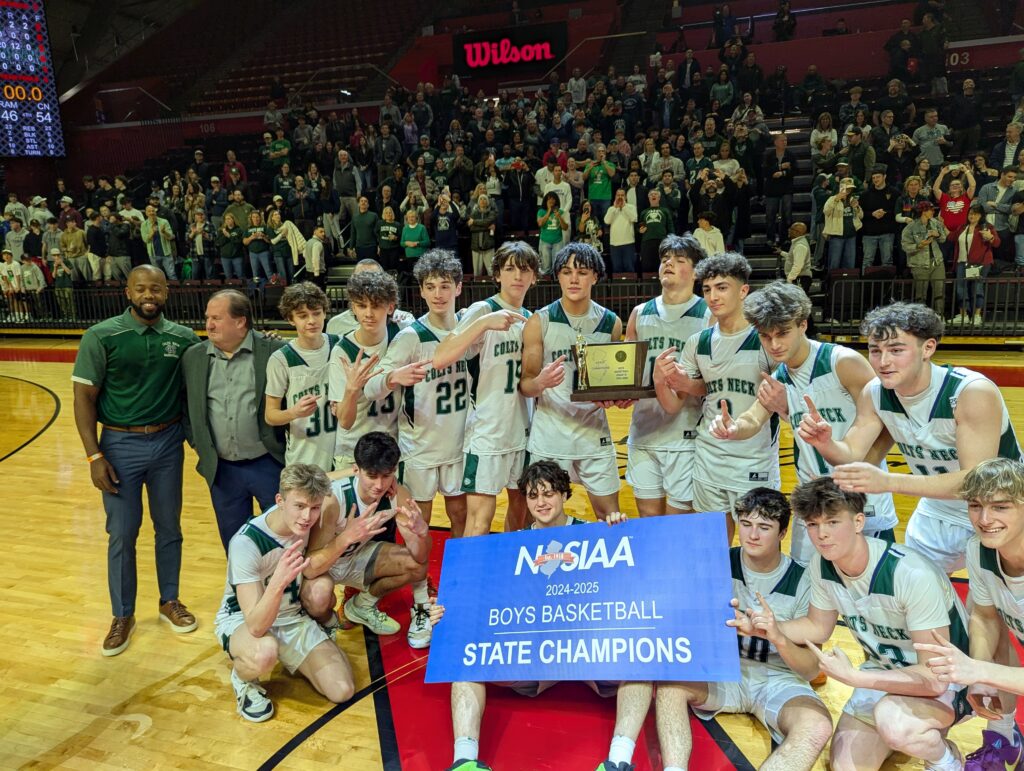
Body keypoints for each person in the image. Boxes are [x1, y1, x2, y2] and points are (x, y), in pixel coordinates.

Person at [601, 488, 832, 771]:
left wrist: (777, 636)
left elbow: (809, 670)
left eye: (764, 527)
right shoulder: (716, 563)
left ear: (783, 532)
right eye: (746, 524)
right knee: (670, 687)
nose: (753, 535)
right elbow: (654, 570)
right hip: (725, 672)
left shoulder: (805, 579)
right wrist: (622, 535)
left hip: (778, 678)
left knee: (817, 727)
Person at [756, 476, 971, 770]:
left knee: (896, 724)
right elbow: (818, 627)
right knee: (846, 767)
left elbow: (935, 678)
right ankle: (909, 732)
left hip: (949, 680)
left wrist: (856, 679)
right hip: (885, 670)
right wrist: (770, 627)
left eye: (832, 522)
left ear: (858, 522)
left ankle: (945, 758)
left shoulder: (909, 573)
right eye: (813, 525)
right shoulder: (823, 564)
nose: (822, 535)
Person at [799, 301, 1022, 574]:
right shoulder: (876, 392)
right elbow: (853, 456)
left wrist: (889, 481)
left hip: (1000, 510)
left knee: (993, 609)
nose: (883, 362)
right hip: (936, 511)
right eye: (875, 351)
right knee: (919, 598)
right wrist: (826, 443)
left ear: (927, 348)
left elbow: (976, 482)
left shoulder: (970, 391)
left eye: (896, 350)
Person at [436, 460, 625, 771]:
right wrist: (445, 611)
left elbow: (628, 583)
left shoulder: (593, 534)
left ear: (565, 494)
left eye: (549, 494)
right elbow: (484, 599)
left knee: (644, 663)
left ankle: (619, 758)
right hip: (533, 658)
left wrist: (620, 529)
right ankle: (464, 760)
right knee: (464, 660)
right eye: (533, 496)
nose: (541, 502)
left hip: (588, 656)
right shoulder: (512, 543)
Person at [711, 281, 899, 564]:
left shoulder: (843, 363)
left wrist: (862, 468)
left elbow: (890, 423)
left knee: (874, 593)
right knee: (812, 588)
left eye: (782, 333)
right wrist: (732, 428)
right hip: (813, 497)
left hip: (863, 497)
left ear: (803, 324)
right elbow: (753, 417)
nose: (774, 344)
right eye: (765, 336)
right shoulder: (780, 376)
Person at [71, 265, 201, 656]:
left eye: (156, 288)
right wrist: (94, 454)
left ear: (166, 293)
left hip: (166, 443)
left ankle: (169, 600)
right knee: (123, 534)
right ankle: (122, 614)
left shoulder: (182, 338)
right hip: (119, 446)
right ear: (128, 292)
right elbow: (83, 399)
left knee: (169, 527)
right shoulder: (102, 336)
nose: (149, 294)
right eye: (141, 288)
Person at [213, 463, 355, 722]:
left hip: (291, 617)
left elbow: (322, 479)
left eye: (314, 508)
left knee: (342, 690)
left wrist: (355, 470)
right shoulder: (247, 543)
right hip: (245, 620)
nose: (307, 517)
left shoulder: (305, 517)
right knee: (264, 651)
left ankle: (299, 656)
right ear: (280, 500)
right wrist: (278, 581)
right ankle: (243, 678)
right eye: (299, 506)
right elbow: (256, 625)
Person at [653, 252, 778, 543]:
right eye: (707, 289)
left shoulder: (766, 340)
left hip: (754, 460)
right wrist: (661, 379)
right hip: (709, 457)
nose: (713, 296)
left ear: (743, 290)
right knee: (713, 545)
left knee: (757, 544)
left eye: (722, 287)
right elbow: (674, 403)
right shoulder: (698, 342)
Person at [913, 458, 1024, 768]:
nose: (985, 519)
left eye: (1000, 507)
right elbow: (987, 617)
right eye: (975, 506)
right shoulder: (979, 549)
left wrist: (978, 671)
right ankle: (1005, 738)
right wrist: (980, 675)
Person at [432, 241, 539, 536]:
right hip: (487, 434)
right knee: (479, 521)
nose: (517, 276)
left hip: (524, 432)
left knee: (521, 518)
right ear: (497, 275)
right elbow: (441, 357)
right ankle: (467, 582)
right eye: (509, 269)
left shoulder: (532, 320)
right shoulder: (483, 309)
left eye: (525, 269)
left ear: (534, 277)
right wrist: (483, 324)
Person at [363, 250, 469, 536]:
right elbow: (370, 387)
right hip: (420, 446)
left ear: (458, 288)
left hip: (459, 442)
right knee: (418, 521)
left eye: (445, 286)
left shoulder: (468, 330)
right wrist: (393, 377)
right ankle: (421, 582)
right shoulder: (411, 336)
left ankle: (457, 577)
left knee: (460, 513)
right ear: (421, 290)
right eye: (431, 286)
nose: (438, 294)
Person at [520, 242, 626, 520]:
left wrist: (618, 398)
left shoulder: (611, 323)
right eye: (566, 272)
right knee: (539, 518)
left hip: (593, 433)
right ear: (558, 277)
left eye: (581, 271)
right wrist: (540, 382)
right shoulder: (539, 321)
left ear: (595, 276)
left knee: (610, 517)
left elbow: (613, 384)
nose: (574, 279)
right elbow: (526, 384)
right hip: (550, 435)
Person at [300, 432, 433, 648]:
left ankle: (362, 605)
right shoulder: (333, 499)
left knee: (414, 565)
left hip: (355, 557)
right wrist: (346, 538)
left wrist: (422, 532)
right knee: (318, 598)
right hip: (324, 565)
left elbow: (420, 557)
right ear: (357, 469)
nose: (380, 485)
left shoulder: (397, 495)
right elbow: (310, 568)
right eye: (372, 476)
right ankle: (327, 624)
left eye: (386, 475)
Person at [181, 290, 286, 551]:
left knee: (281, 538)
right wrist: (201, 445)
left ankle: (283, 590)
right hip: (222, 469)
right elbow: (185, 408)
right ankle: (241, 592)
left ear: (240, 322)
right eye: (208, 317)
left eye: (216, 317)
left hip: (268, 463)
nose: (209, 324)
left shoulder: (273, 350)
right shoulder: (193, 357)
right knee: (234, 544)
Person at [622, 235, 711, 517]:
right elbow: (626, 374)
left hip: (686, 438)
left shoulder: (708, 315)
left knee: (679, 529)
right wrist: (617, 394)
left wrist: (686, 385)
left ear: (696, 272)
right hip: (644, 432)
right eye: (664, 260)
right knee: (649, 524)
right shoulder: (639, 313)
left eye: (679, 260)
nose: (669, 264)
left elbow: (714, 383)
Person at [328, 268, 411, 471]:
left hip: (392, 449)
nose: (368, 313)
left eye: (376, 306)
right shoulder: (342, 351)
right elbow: (345, 422)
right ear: (353, 309)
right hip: (352, 452)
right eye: (361, 305)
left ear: (390, 307)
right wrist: (352, 389)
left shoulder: (403, 336)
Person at [265, 282, 338, 471]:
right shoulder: (281, 359)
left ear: (324, 313)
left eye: (316, 313)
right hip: (305, 453)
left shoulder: (340, 345)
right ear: (291, 319)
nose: (311, 320)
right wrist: (294, 412)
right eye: (302, 316)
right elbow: (270, 415)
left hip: (342, 449)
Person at [949, 203, 998, 328]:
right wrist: (941, 225)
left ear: (981, 215)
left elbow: (997, 243)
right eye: (970, 213)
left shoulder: (987, 227)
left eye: (975, 214)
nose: (972, 216)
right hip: (962, 262)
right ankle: (963, 315)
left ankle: (977, 316)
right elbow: (951, 237)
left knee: (977, 289)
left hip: (980, 263)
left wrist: (990, 237)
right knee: (961, 289)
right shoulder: (962, 227)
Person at [901, 201, 949, 315]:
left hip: (937, 262)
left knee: (939, 291)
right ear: (923, 211)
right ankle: (920, 318)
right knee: (921, 294)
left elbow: (943, 239)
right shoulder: (910, 227)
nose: (933, 212)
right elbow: (905, 246)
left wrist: (938, 234)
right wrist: (919, 245)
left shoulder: (936, 223)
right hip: (919, 264)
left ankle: (939, 316)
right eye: (930, 210)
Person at [824, 179, 863, 271]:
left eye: (850, 188)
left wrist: (857, 207)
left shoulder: (853, 200)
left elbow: (861, 216)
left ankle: (848, 284)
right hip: (837, 236)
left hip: (851, 236)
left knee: (850, 264)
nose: (848, 191)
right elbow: (826, 211)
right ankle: (832, 283)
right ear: (841, 188)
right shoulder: (832, 199)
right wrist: (836, 199)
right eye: (846, 188)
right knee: (834, 263)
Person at [638, 189, 675, 273]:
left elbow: (670, 226)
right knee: (647, 264)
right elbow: (640, 226)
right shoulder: (644, 212)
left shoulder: (665, 211)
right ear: (648, 198)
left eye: (655, 194)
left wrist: (672, 240)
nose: (653, 195)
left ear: (659, 197)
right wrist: (640, 230)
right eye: (651, 194)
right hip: (647, 240)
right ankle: (647, 284)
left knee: (661, 263)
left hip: (662, 240)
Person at [604, 187, 637, 276]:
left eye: (622, 195)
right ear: (615, 196)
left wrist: (624, 207)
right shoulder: (611, 209)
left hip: (628, 242)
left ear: (625, 197)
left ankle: (631, 288)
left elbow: (634, 218)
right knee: (616, 268)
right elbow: (607, 221)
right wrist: (615, 208)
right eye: (618, 195)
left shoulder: (631, 207)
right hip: (614, 243)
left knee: (629, 267)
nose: (620, 197)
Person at [777, 222, 812, 291]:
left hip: (799, 279)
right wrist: (781, 252)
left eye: (791, 229)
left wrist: (789, 280)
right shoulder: (798, 243)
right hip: (798, 278)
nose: (789, 230)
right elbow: (792, 258)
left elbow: (798, 266)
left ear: (798, 232)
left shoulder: (800, 246)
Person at [216, 213, 245, 281]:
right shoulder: (221, 231)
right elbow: (218, 243)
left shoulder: (239, 230)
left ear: (233, 220)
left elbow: (240, 242)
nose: (227, 220)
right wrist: (225, 235)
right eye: (226, 219)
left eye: (229, 219)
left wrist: (229, 236)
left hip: (237, 256)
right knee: (228, 277)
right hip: (225, 257)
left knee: (240, 275)